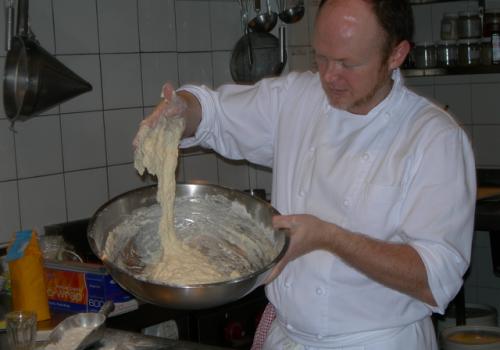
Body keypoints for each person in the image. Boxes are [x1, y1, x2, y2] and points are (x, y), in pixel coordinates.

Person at [135, 0, 476, 348]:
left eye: (347, 63)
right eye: (322, 58)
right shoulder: (297, 97)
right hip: (288, 338)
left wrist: (330, 238)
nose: (329, 76)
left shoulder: (434, 139)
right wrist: (181, 110)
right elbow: (214, 113)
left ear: (396, 55)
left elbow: (435, 277)